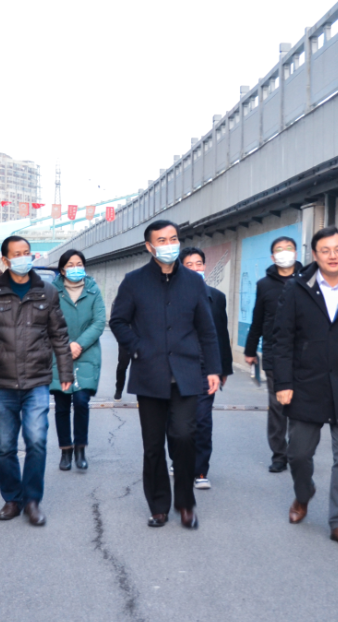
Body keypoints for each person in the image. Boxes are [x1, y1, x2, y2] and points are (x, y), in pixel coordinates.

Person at [109, 220, 221, 530]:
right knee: (153, 445)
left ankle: (185, 503)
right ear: (149, 246)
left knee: (184, 437)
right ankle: (158, 506)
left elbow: (207, 329)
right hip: (149, 374)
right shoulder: (134, 281)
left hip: (187, 373)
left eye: (173, 238)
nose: (169, 244)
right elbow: (118, 321)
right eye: (162, 240)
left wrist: (213, 368)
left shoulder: (194, 282)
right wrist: (138, 348)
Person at [273, 226, 338, 548]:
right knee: (298, 454)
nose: (332, 256)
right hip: (306, 384)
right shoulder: (297, 288)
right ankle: (303, 494)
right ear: (315, 254)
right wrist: (283, 382)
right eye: (325, 250)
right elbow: (282, 339)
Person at [0, 236, 74, 526]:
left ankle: (32, 501)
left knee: (36, 441)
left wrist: (66, 372)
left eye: (27, 252)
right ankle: (12, 499)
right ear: (5, 260)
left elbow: (59, 336)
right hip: (2, 381)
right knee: (5, 446)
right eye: (17, 254)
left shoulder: (47, 292)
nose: (23, 258)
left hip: (37, 380)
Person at [243, 236, 303, 473]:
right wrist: (250, 350)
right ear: (272, 256)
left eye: (289, 248)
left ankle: (298, 452)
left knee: (301, 407)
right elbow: (258, 319)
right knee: (278, 407)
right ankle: (279, 455)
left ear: (296, 253)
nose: (284, 252)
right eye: (279, 249)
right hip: (274, 353)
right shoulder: (264, 285)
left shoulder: (309, 279)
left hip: (304, 354)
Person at [178, 247, 233, 490]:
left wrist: (223, 368)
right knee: (179, 423)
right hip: (177, 368)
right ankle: (179, 459)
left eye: (198, 263)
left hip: (205, 369)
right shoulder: (170, 296)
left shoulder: (216, 297)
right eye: (189, 265)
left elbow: (222, 333)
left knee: (202, 420)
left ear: (205, 266)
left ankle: (200, 470)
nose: (195, 268)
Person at [50, 249, 107, 472]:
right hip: (58, 353)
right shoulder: (52, 291)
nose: (76, 268)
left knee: (82, 402)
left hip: (87, 353)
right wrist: (66, 345)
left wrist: (79, 344)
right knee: (62, 404)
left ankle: (80, 448)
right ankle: (65, 450)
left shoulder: (93, 290)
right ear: (62, 270)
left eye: (79, 264)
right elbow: (47, 322)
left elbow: (99, 321)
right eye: (71, 265)